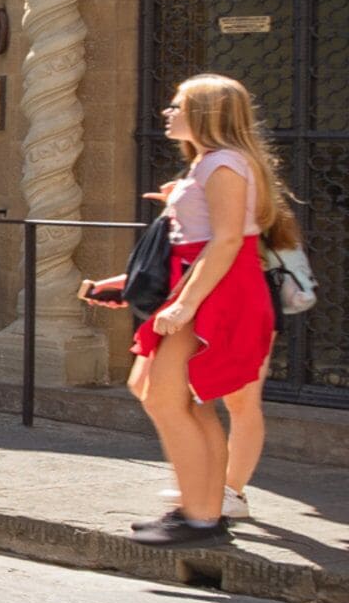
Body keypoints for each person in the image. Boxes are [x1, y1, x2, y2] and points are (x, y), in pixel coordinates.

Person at [109, 74, 291, 546]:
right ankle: (203, 507)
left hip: (217, 293)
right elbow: (190, 242)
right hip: (202, 286)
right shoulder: (210, 164)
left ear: (206, 113)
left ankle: (200, 513)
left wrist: (186, 305)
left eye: (177, 106)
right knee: (165, 393)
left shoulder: (224, 164)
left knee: (166, 397)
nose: (168, 113)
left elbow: (228, 239)